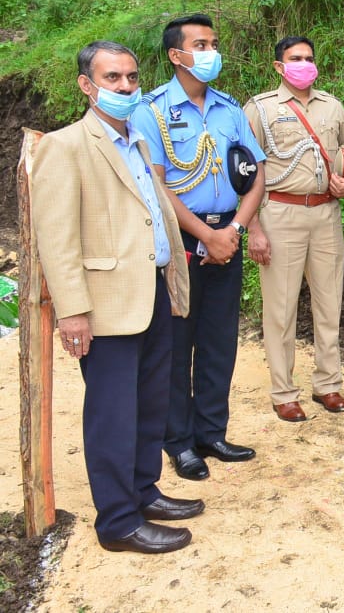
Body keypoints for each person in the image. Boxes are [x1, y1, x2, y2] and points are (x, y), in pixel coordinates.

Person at [31, 41, 203, 553]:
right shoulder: (64, 147)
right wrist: (73, 312)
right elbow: (56, 239)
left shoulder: (138, 144)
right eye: (113, 79)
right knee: (112, 412)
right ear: (87, 86)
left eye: (131, 77)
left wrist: (171, 280)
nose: (126, 87)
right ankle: (119, 522)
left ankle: (143, 491)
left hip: (149, 292)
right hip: (103, 304)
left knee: (150, 404)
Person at [130, 14, 266, 481]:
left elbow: (255, 173)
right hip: (182, 240)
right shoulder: (151, 112)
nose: (210, 51)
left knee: (218, 341)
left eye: (213, 43)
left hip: (229, 233)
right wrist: (206, 236)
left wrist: (235, 231)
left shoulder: (229, 109)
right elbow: (158, 186)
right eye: (200, 44)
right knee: (177, 343)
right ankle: (180, 442)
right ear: (176, 55)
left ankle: (212, 432)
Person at [244, 36, 344, 422]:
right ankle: (284, 392)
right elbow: (246, 173)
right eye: (295, 58)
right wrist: (254, 228)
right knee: (281, 309)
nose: (304, 64)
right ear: (279, 66)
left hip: (325, 215)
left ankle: (328, 385)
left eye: (309, 58)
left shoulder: (332, 105)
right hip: (281, 214)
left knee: (329, 306)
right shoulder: (260, 110)